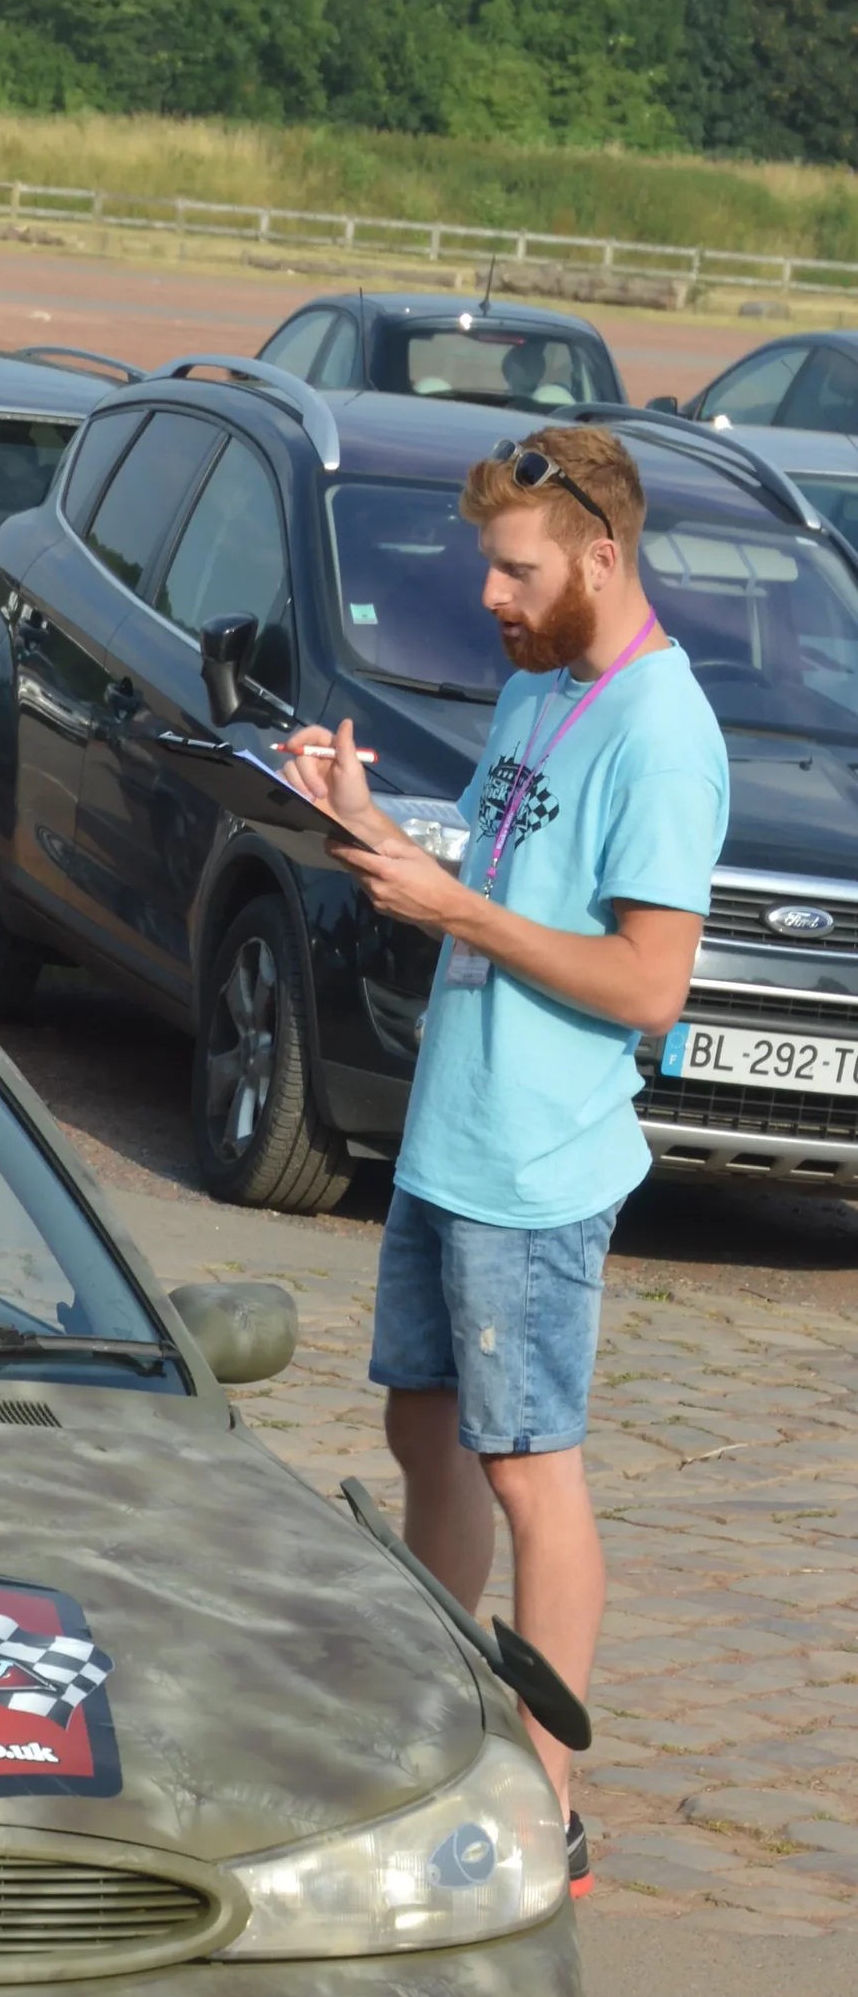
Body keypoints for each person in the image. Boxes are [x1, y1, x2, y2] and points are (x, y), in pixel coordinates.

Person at [278, 425, 728, 1895]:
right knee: (427, 1430)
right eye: (488, 565)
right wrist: (361, 827)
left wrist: (455, 914)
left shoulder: (661, 731)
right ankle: (442, 1710)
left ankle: (548, 1795)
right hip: (451, 1131)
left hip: (538, 1163)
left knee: (534, 1467)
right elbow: (499, 875)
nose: (490, 595)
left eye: (515, 569)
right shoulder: (544, 683)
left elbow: (649, 985)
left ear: (603, 557)